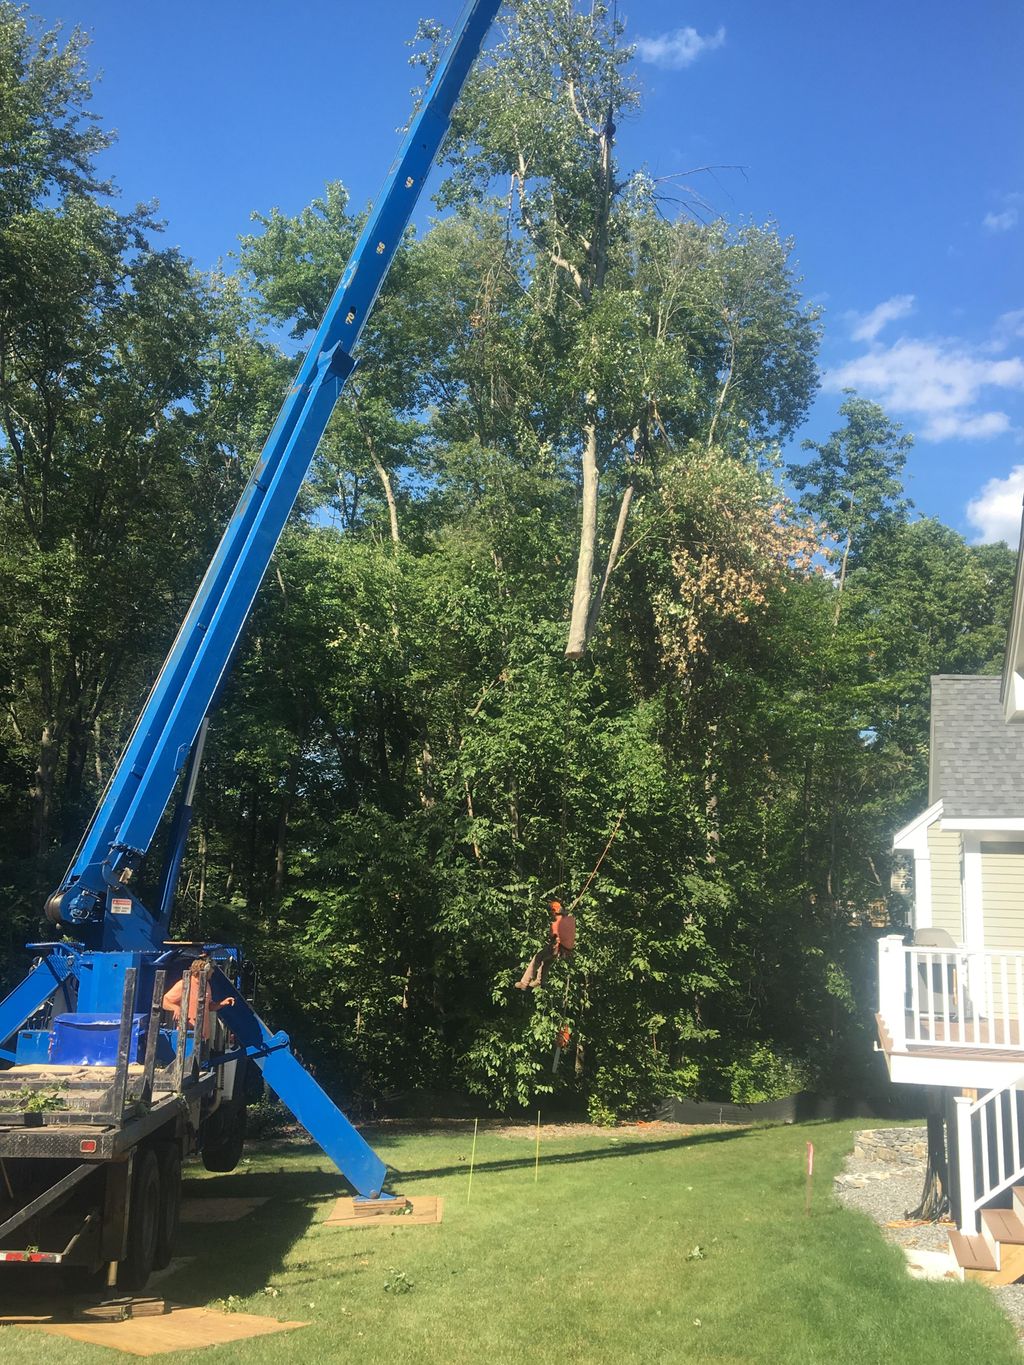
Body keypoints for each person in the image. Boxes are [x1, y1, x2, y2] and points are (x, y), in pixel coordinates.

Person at [162, 956, 235, 1041]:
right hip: (188, 1035)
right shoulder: (184, 984)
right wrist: (176, 1008)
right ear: (205, 970)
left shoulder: (206, 984)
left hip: (203, 1035)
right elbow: (164, 1001)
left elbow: (209, 1006)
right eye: (211, 969)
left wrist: (222, 1003)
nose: (213, 971)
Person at [516, 900, 576, 990]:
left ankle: (524, 983)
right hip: (566, 950)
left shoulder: (556, 923)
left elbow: (552, 936)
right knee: (546, 962)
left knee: (537, 958)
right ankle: (541, 982)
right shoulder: (571, 920)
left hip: (557, 947)